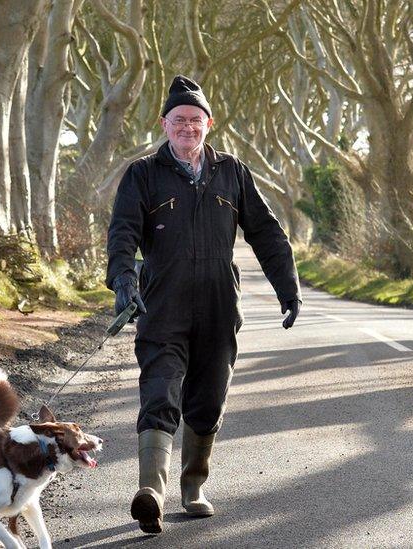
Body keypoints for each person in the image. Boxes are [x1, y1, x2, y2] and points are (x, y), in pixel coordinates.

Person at [105, 75, 301, 534]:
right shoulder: (142, 175)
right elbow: (122, 236)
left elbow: (267, 233)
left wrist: (287, 288)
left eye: (195, 120)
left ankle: (193, 488)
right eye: (179, 120)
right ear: (164, 124)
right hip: (161, 305)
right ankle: (151, 492)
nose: (187, 127)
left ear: (209, 124)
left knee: (209, 398)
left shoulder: (232, 172)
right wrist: (124, 283)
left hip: (218, 305)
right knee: (160, 392)